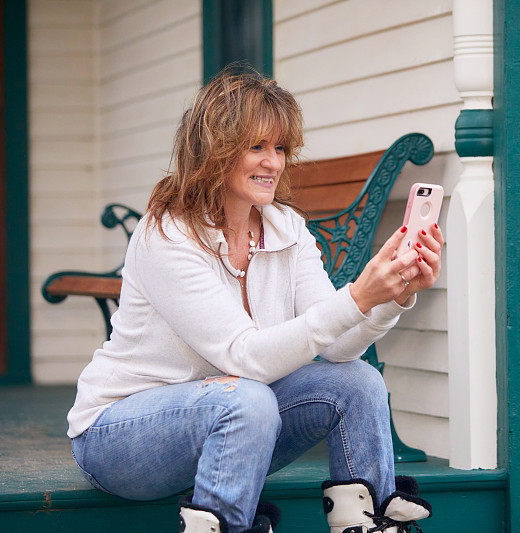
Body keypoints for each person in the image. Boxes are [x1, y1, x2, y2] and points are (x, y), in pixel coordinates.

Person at [66, 67, 443, 533]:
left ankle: (366, 524)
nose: (274, 163)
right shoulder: (167, 233)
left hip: (235, 421)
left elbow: (338, 347)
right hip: (122, 435)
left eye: (281, 148)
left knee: (357, 382)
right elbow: (245, 358)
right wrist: (358, 295)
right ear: (214, 150)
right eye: (256, 147)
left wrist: (388, 297)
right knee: (247, 398)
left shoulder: (286, 229)